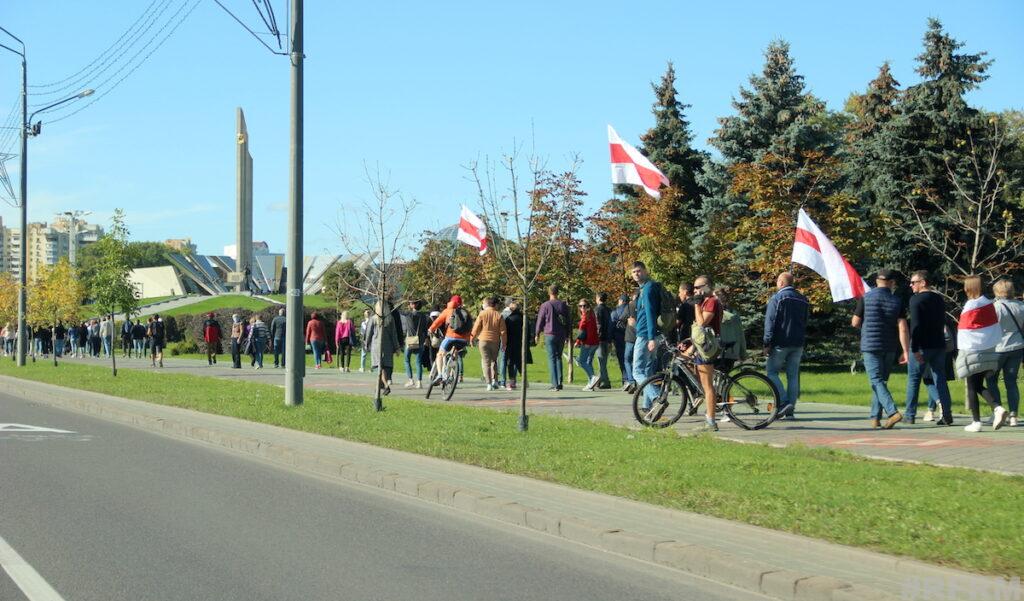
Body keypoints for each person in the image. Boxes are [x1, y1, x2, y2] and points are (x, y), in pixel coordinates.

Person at [852, 269, 909, 429]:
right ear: (891, 283)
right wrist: (905, 351)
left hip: (870, 345)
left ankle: (893, 412)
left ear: (877, 281)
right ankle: (875, 418)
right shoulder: (897, 301)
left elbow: (855, 322)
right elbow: (903, 328)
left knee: (876, 381)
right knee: (880, 381)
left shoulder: (866, 298)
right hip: (889, 346)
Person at [956, 276, 1008, 432]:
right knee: (978, 384)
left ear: (968, 288)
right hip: (990, 351)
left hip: (973, 351)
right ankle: (997, 408)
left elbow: (964, 330)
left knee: (972, 385)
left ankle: (977, 421)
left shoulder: (971, 305)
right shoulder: (988, 303)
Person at [903, 271, 954, 425]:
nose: (911, 285)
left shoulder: (916, 300)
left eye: (913, 282)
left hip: (923, 345)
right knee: (940, 379)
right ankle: (946, 414)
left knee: (913, 379)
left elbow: (916, 325)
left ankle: (910, 414)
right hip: (938, 344)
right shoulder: (939, 299)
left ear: (923, 282)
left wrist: (915, 348)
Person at [763, 272, 809, 419]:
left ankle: (783, 402)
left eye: (777, 281)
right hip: (798, 342)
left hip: (780, 342)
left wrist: (767, 342)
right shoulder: (803, 300)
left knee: (771, 372)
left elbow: (770, 322)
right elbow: (805, 320)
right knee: (793, 376)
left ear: (782, 282)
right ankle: (790, 411)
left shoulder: (777, 299)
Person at [987, 279, 1023, 427]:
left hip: (998, 348)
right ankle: (1014, 415)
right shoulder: (1021, 306)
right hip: (1017, 347)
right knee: (1011, 382)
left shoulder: (995, 307)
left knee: (991, 380)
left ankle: (998, 410)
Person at [691, 274, 723, 431]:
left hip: (708, 348)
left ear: (708, 286)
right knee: (705, 385)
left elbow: (702, 323)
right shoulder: (706, 301)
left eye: (698, 287)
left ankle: (711, 422)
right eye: (694, 287)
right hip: (703, 347)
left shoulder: (711, 301)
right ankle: (708, 418)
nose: (695, 290)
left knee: (708, 386)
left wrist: (697, 306)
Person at [632, 262, 662, 411]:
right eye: (634, 272)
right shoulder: (645, 288)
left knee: (637, 371)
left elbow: (650, 313)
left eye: (639, 271)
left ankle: (656, 396)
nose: (636, 274)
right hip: (649, 333)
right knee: (648, 371)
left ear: (645, 271)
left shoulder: (648, 289)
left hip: (645, 334)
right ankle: (647, 406)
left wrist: (651, 337)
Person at [428, 295, 473, 381]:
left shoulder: (448, 311)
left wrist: (431, 329)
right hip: (463, 340)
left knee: (440, 354)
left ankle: (440, 375)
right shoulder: (466, 312)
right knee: (455, 354)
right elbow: (470, 326)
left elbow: (437, 322)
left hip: (450, 337)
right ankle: (452, 374)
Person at [535, 285, 571, 391]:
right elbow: (568, 321)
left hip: (549, 334)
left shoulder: (545, 305)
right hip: (561, 334)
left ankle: (554, 383)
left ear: (549, 292)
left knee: (551, 359)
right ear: (557, 292)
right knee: (558, 357)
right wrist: (568, 335)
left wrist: (537, 333)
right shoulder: (563, 305)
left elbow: (540, 320)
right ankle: (560, 382)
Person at [471, 296, 508, 391]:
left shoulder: (482, 314)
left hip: (483, 340)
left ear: (488, 304)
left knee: (486, 361)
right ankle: (494, 381)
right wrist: (504, 343)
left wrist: (472, 338)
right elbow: (503, 332)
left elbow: (476, 327)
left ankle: (488, 384)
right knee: (493, 361)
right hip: (495, 341)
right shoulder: (499, 315)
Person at [366, 300, 400, 395]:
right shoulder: (390, 319)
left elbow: (369, 333)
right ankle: (379, 387)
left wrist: (366, 344)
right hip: (388, 346)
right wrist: (396, 347)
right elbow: (394, 334)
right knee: (384, 366)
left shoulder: (374, 319)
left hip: (377, 345)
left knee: (379, 367)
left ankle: (385, 385)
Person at [502, 300, 531, 390]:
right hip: (521, 343)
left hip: (510, 343)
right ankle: (524, 380)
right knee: (520, 363)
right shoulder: (524, 319)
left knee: (510, 363)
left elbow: (506, 332)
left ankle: (512, 382)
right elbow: (528, 333)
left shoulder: (509, 319)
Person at [400, 301, 430, 388]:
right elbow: (425, 329)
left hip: (410, 340)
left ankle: (410, 379)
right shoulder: (423, 316)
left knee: (406, 360)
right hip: (420, 340)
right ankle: (419, 382)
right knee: (418, 362)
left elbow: (399, 310)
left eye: (411, 303)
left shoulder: (409, 314)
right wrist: (426, 339)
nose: (409, 304)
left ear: (414, 305)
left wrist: (404, 301)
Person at [575, 298, 600, 391]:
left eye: (584, 306)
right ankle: (591, 384)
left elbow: (582, 330)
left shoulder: (586, 317)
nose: (582, 308)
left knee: (582, 361)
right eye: (580, 306)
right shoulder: (592, 315)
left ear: (588, 306)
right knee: (588, 362)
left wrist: (578, 342)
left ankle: (592, 377)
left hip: (589, 343)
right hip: (595, 343)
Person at [619, 293, 639, 393]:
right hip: (641, 337)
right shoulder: (645, 304)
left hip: (631, 336)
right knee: (638, 360)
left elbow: (622, 318)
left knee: (627, 359)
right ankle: (639, 382)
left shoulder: (630, 305)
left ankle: (631, 381)